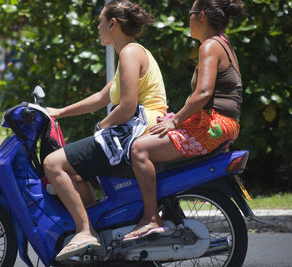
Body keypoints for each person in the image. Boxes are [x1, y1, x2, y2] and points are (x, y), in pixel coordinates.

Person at [43, 0, 168, 260]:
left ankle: (85, 230)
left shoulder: (130, 53)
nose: (97, 27)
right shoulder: (133, 53)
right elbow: (102, 97)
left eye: (100, 21)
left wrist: (102, 126)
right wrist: (60, 112)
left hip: (139, 129)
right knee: (76, 170)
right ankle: (96, 226)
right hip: (140, 127)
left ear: (113, 24)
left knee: (54, 163)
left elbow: (127, 106)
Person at [123, 0, 243, 241]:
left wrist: (174, 121)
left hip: (214, 126)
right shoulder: (223, 43)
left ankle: (151, 218)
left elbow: (203, 93)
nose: (187, 20)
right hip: (220, 124)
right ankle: (164, 207)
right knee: (147, 139)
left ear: (200, 17)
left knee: (138, 150)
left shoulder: (209, 46)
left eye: (190, 15)